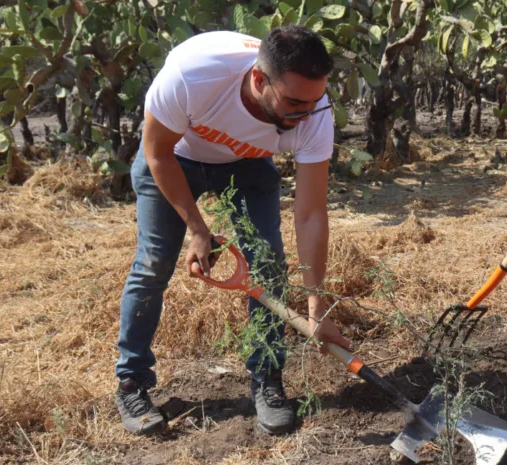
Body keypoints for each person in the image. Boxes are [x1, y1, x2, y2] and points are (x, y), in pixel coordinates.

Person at [115, 25, 350, 437]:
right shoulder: (195, 74)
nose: (304, 116)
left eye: (313, 103)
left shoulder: (314, 111)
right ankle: (132, 381)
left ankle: (267, 379)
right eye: (294, 102)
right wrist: (198, 229)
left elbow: (310, 212)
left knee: (268, 265)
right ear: (259, 80)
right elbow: (156, 152)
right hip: (176, 157)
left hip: (245, 164)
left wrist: (318, 307)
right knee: (153, 263)